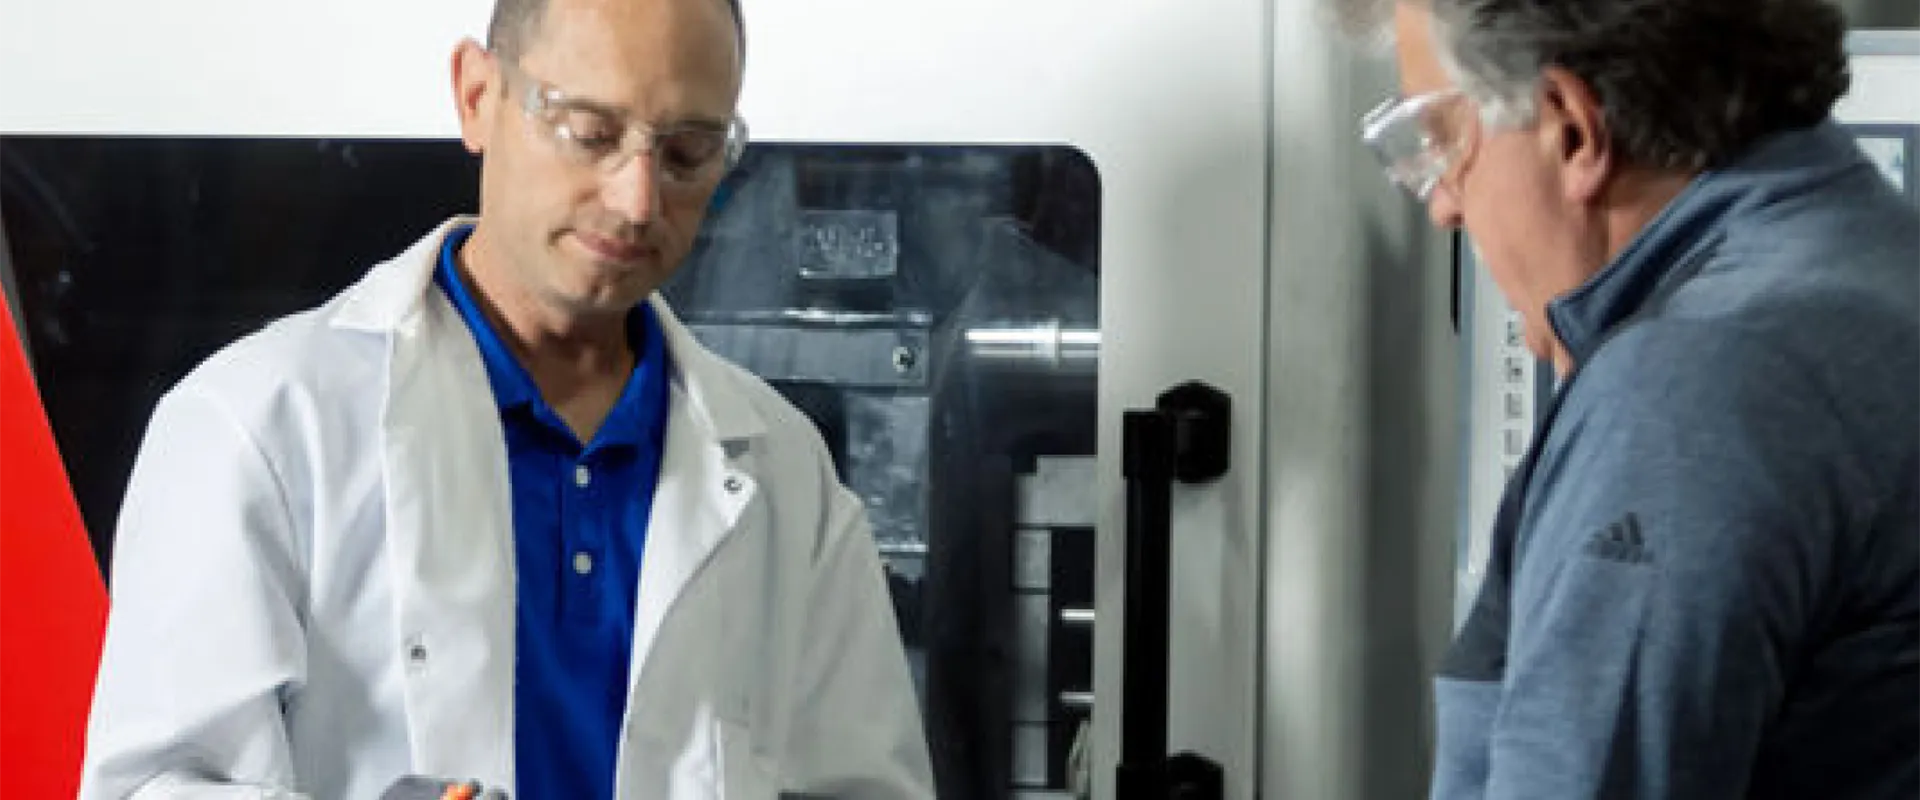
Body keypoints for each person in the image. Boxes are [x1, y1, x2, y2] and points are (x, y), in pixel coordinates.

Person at [76, 0, 935, 797]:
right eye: (590, 132)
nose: (637, 200)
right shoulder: (259, 427)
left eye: (685, 154)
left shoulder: (786, 475)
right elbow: (150, 786)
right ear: (478, 96)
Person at [1340, 0, 1920, 797]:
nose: (1444, 203)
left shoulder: (1693, 389)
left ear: (1573, 129)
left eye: (1444, 138)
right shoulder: (1879, 267)